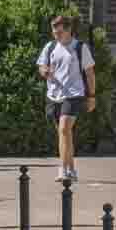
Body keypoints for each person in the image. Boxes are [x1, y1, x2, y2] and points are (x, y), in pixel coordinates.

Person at [36, 15, 96, 185]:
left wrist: (91, 96)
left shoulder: (80, 47)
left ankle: (63, 169)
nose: (56, 34)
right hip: (54, 95)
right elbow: (41, 66)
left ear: (69, 30)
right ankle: (71, 168)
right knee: (64, 133)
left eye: (60, 31)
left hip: (74, 94)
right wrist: (45, 71)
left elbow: (90, 73)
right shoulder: (50, 47)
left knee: (64, 129)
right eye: (54, 31)